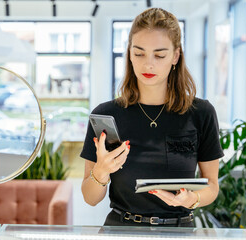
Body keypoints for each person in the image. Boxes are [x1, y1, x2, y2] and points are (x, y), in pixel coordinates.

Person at [80, 8, 224, 227]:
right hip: (122, 229)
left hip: (179, 230)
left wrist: (192, 198)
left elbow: (212, 185)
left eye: (159, 55)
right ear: (129, 53)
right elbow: (90, 198)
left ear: (176, 55)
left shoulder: (201, 113)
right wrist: (101, 172)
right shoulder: (107, 114)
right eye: (139, 53)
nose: (148, 64)